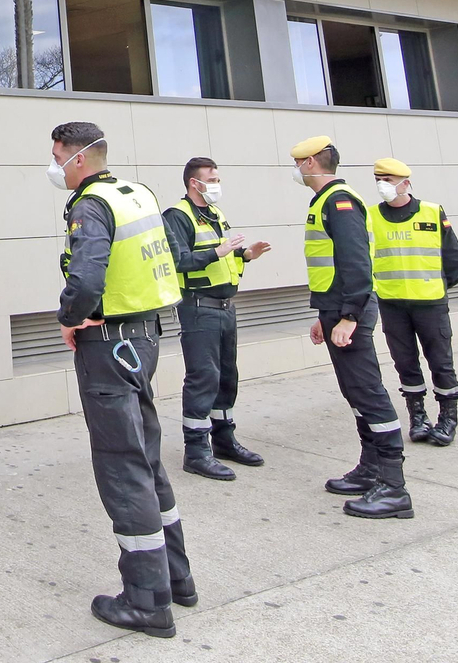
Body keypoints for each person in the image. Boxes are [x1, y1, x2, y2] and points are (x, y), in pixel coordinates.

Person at [51, 121, 193, 639]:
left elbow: (86, 277)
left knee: (121, 465)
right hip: (145, 338)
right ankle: (177, 578)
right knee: (147, 457)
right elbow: (171, 261)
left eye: (58, 156)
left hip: (108, 343)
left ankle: (147, 600)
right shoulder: (138, 194)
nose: (56, 167)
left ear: (79, 158)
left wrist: (71, 316)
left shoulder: (91, 205)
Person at [289, 136, 413, 519]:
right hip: (336, 308)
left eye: (298, 163)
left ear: (311, 162)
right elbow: (334, 265)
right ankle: (371, 469)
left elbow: (357, 263)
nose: (295, 170)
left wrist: (349, 316)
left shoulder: (339, 202)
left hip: (349, 310)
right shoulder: (328, 200)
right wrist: (326, 314)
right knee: (355, 391)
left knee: (367, 390)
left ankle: (394, 487)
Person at [163, 157, 271, 481]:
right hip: (198, 307)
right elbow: (179, 260)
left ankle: (224, 440)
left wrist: (245, 255)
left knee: (227, 377)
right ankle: (196, 451)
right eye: (211, 179)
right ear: (193, 183)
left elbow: (224, 258)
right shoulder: (176, 216)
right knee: (203, 378)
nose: (216, 185)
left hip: (224, 306)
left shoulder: (214, 215)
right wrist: (219, 252)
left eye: (217, 179)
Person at [368, 158, 458, 447]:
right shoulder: (370, 216)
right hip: (392, 302)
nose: (382, 186)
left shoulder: (432, 211)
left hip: (430, 303)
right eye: (379, 180)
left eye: (388, 180)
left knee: (441, 363)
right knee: (405, 364)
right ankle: (418, 417)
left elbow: (454, 257)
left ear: (406, 183)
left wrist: (439, 286)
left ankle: (447, 419)